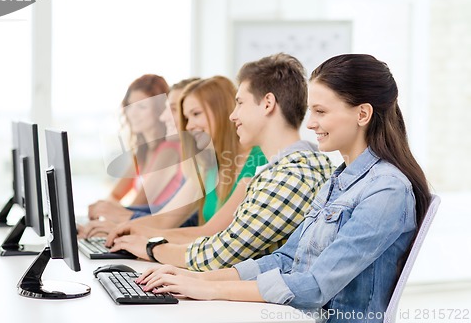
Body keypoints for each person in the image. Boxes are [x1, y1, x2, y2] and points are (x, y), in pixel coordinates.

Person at [136, 54, 432, 323]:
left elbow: (315, 286)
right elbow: (286, 259)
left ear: (362, 114)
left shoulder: (387, 190)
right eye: (311, 111)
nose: (311, 123)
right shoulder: (337, 180)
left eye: (320, 112)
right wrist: (197, 279)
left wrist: (209, 288)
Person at [107, 53, 334, 271]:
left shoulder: (289, 175)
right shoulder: (270, 171)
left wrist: (150, 246)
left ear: (267, 104)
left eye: (240, 103)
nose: (233, 115)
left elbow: (221, 250)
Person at [82, 76, 268, 238]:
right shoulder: (209, 164)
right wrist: (120, 229)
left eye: (196, 114)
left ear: (221, 111)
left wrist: (125, 230)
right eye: (187, 117)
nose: (188, 126)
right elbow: (164, 220)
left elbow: (210, 232)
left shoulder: (257, 161)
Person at [85, 74, 182, 225]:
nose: (133, 113)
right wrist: (102, 211)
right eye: (130, 106)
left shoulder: (169, 151)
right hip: (140, 226)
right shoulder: (142, 152)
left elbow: (138, 204)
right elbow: (116, 195)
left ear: (160, 110)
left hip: (155, 230)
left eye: (142, 107)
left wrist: (107, 215)